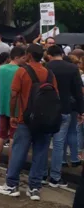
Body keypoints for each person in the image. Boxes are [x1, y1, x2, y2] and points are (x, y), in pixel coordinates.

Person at [0, 44, 56, 201]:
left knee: (18, 151)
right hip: (44, 120)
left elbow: (14, 94)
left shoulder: (22, 71)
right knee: (41, 153)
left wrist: (13, 115)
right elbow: (54, 95)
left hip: (25, 119)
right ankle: (34, 188)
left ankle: (11, 185)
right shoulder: (49, 73)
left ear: (29, 55)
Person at [45, 44, 84, 188]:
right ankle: (55, 177)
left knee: (43, 142)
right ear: (62, 53)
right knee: (58, 144)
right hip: (65, 109)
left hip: (47, 108)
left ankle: (42, 174)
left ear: (49, 54)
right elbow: (78, 93)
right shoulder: (72, 68)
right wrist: (81, 111)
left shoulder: (45, 67)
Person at [0, 47, 25, 172]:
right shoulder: (21, 71)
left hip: (2, 106)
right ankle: (11, 166)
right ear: (17, 57)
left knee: (1, 135)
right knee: (13, 138)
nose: (24, 60)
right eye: (23, 58)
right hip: (16, 109)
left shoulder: (1, 68)